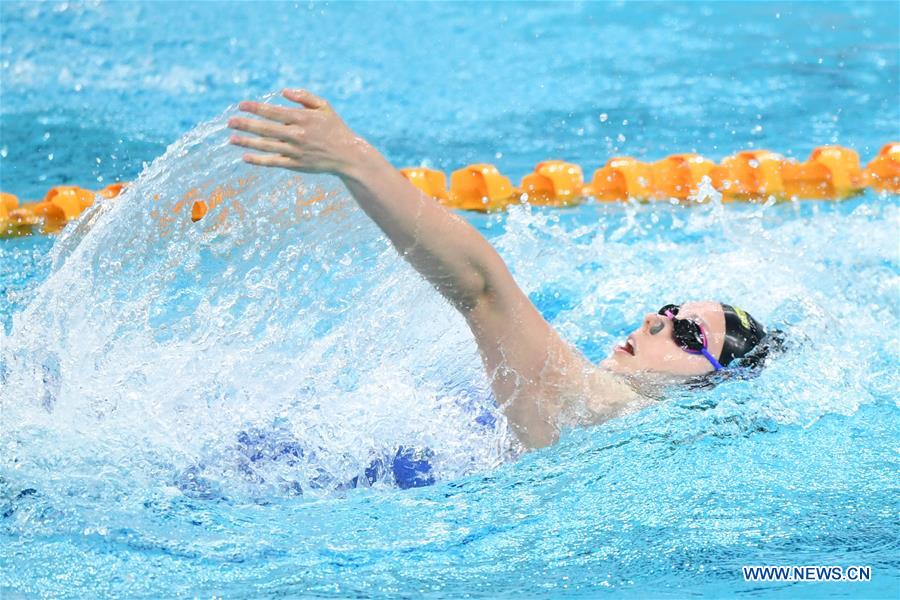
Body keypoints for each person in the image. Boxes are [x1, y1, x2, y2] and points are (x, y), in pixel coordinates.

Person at [227, 89, 772, 452]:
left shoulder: (603, 406)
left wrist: (354, 159)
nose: (656, 318)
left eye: (686, 332)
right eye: (671, 309)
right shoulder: (623, 421)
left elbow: (482, 289)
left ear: (712, 387)